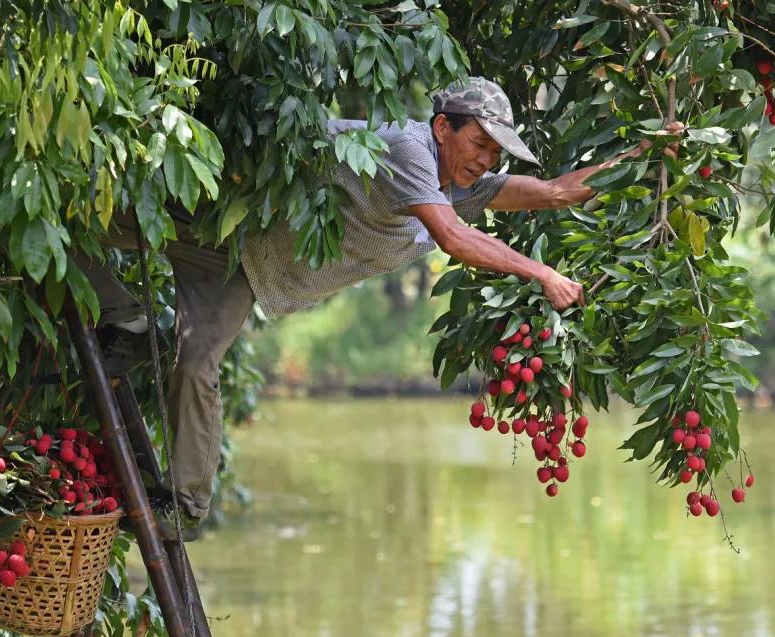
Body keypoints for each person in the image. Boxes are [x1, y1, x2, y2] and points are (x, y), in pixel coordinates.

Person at [82, 76, 677, 538]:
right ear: (443, 127)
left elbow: (552, 193)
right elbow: (454, 239)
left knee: (195, 363)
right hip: (223, 210)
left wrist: (648, 157)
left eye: (495, 154)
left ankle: (184, 508)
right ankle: (129, 320)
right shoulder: (408, 149)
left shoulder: (455, 178)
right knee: (74, 224)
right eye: (479, 144)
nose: (485, 162)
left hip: (248, 266)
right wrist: (541, 272)